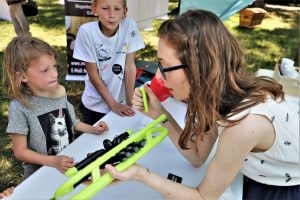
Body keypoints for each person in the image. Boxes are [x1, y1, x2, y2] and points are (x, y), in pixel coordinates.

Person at [105, 9, 300, 199]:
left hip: (281, 187)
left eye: (164, 67)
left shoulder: (243, 126)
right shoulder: (218, 95)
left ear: (198, 69)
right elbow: (198, 157)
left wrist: (141, 174)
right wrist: (159, 113)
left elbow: (204, 196)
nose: (158, 77)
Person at [2, 36, 109, 179]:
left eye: (54, 67)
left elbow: (73, 122)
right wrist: (53, 161)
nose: (55, 74)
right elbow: (20, 151)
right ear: (22, 77)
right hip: (39, 175)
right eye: (45, 70)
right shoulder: (19, 107)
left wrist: (93, 129)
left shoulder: (60, 92)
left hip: (67, 163)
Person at [73, 0, 145, 125]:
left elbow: (129, 66)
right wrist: (113, 104)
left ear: (125, 11)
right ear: (94, 9)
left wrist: (130, 103)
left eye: (117, 9)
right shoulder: (86, 32)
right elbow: (93, 74)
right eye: (105, 8)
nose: (111, 15)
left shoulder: (129, 25)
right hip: (95, 106)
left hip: (121, 102)